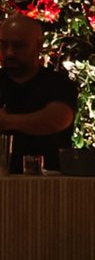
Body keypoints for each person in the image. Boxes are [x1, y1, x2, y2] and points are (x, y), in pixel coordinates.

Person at [0, 9, 77, 172]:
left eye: (18, 46)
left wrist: (7, 121)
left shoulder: (58, 84)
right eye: (4, 45)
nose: (9, 53)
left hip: (49, 185)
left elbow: (56, 120)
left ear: (39, 45)